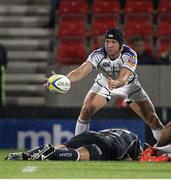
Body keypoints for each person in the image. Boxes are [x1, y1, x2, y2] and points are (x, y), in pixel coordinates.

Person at [58, 28, 163, 142]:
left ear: (121, 44)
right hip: (105, 83)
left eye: (113, 42)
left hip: (128, 86)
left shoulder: (130, 54)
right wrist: (63, 80)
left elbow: (124, 76)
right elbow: (80, 72)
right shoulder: (98, 54)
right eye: (107, 41)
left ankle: (164, 147)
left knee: (152, 119)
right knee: (86, 110)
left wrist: (118, 82)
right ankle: (77, 145)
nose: (109, 45)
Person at [5, 128, 142, 161]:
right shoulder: (134, 140)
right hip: (107, 145)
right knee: (78, 154)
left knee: (64, 146)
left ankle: (29, 154)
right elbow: (137, 157)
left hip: (91, 134)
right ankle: (52, 154)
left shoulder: (118, 131)